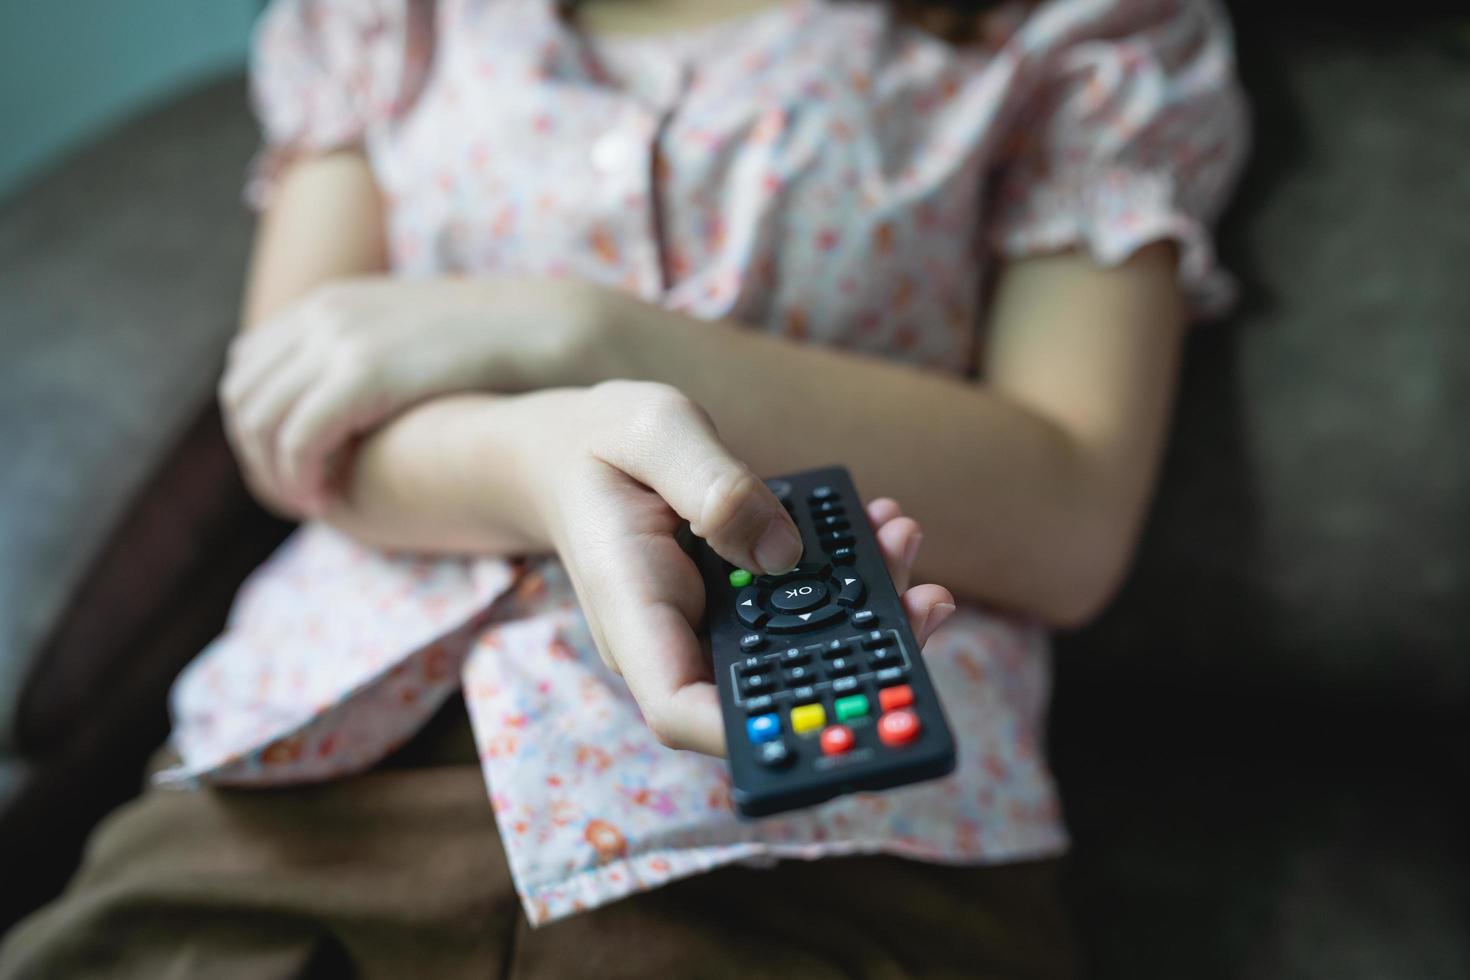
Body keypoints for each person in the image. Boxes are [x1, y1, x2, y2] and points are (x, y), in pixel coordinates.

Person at [0, 0, 1248, 975]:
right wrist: (547, 453)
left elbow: (1070, 512)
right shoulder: (386, 30)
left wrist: (576, 332)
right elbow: (297, 427)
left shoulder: (1080, 41)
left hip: (827, 848)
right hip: (306, 778)